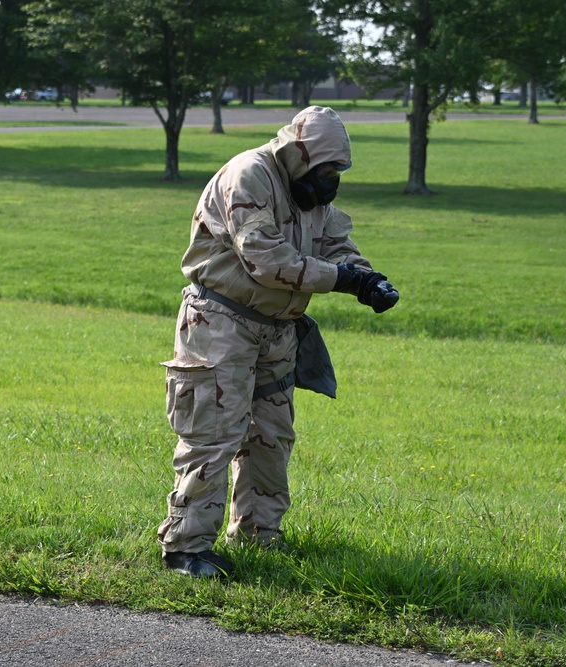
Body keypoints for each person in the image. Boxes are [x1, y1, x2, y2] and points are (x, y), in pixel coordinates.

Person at [158, 106, 400, 579]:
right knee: (214, 435)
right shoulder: (248, 176)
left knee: (271, 436)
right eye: (324, 168)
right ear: (296, 154)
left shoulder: (309, 193)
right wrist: (342, 280)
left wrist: (367, 278)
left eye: (337, 170)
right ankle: (185, 548)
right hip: (222, 323)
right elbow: (266, 260)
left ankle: (257, 536)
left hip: (279, 329)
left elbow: (335, 247)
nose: (329, 179)